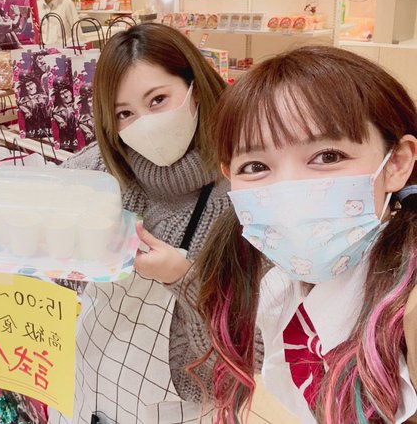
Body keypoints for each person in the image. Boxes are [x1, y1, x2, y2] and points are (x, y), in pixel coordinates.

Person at [139, 45, 417, 423]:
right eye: (256, 166)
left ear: (396, 162)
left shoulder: (407, 311)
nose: (288, 188)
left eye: (327, 156)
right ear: (230, 177)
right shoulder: (276, 286)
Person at [50, 23, 235, 424]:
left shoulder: (237, 198)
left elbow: (234, 359)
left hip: (179, 404)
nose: (145, 123)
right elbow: (60, 278)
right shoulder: (98, 172)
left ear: (195, 87)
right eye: (125, 113)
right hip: (89, 387)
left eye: (158, 100)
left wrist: (184, 278)